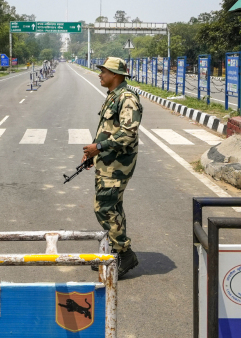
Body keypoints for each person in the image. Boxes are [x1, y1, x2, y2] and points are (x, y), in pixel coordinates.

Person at [82, 57, 143, 278]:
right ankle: (114, 252)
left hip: (118, 164)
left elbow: (128, 133)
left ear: (115, 75)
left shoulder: (127, 99)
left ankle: (124, 254)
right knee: (113, 206)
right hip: (108, 161)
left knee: (104, 207)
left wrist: (98, 147)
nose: (100, 75)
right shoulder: (113, 96)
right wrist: (92, 153)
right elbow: (108, 129)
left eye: (104, 71)